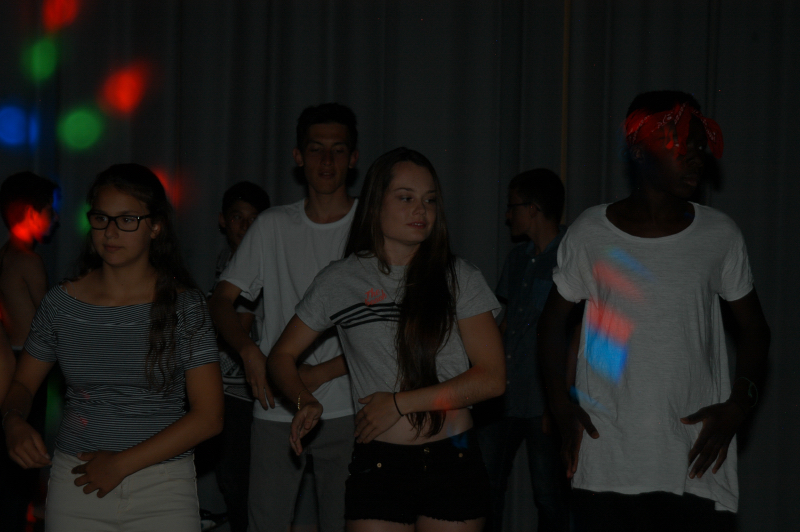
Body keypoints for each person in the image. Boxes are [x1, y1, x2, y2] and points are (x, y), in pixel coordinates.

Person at [538, 91, 770, 531]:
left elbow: (756, 330)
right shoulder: (591, 232)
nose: (696, 157)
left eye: (700, 146)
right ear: (639, 150)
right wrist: (559, 406)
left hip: (692, 460)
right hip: (607, 458)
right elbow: (550, 324)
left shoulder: (719, 234)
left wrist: (738, 406)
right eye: (680, 144)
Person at [267, 147, 506, 531]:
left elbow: (492, 379)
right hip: (377, 462)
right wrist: (304, 400)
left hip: (452, 458)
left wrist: (399, 403)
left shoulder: (459, 277)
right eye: (406, 198)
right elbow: (280, 356)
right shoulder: (339, 280)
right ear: (376, 203)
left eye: (430, 200)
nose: (421, 210)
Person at [1, 163, 223, 531]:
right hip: (79, 481)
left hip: (162, 487)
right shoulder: (61, 303)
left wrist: (120, 464)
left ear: (155, 226)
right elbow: (22, 384)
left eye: (127, 220)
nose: (111, 231)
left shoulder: (185, 306)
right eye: (101, 218)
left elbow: (209, 417)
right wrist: (12, 421)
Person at [209, 102, 360, 532]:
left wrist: (321, 372)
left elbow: (391, 325)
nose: (326, 160)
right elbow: (220, 301)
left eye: (337, 150)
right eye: (315, 149)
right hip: (276, 408)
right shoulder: (272, 225)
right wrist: (248, 351)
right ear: (298, 156)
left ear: (353, 158)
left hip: (351, 405)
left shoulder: (371, 224)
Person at [478, 168, 569, 532]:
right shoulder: (517, 259)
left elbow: (578, 333)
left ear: (532, 209)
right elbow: (505, 323)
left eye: (512, 206)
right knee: (485, 488)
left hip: (542, 399)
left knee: (549, 495)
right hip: (503, 394)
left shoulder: (571, 257)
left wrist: (558, 400)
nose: (507, 215)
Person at [207, 181, 270, 532]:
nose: (245, 227)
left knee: (242, 486)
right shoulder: (226, 261)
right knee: (231, 483)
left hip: (246, 395)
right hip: (224, 389)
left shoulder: (259, 265)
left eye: (253, 219)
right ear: (222, 220)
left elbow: (237, 326)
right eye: (237, 217)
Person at [0, 171, 59, 531]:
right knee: (27, 451)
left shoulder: (4, 256)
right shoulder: (29, 261)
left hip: (7, 363)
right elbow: (50, 324)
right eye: (50, 209)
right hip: (29, 365)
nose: (56, 217)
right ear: (31, 213)